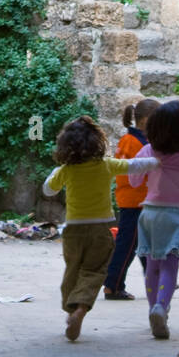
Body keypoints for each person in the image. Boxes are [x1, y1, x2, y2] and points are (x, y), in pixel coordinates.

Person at [43, 115, 158, 341]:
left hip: (73, 231)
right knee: (94, 271)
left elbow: (48, 190)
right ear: (97, 142)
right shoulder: (106, 165)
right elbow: (135, 166)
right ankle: (81, 309)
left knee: (72, 269)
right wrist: (161, 160)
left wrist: (55, 173)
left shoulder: (66, 170)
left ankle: (70, 308)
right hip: (101, 229)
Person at [127, 98, 179, 340]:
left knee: (152, 266)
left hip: (149, 214)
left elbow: (133, 180)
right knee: (170, 265)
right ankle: (161, 308)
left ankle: (154, 309)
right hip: (174, 216)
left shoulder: (147, 151)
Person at [103, 98, 160, 301]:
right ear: (145, 121)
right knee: (128, 244)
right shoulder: (135, 143)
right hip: (134, 200)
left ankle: (156, 277)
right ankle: (113, 284)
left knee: (144, 242)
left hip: (137, 199)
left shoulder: (133, 141)